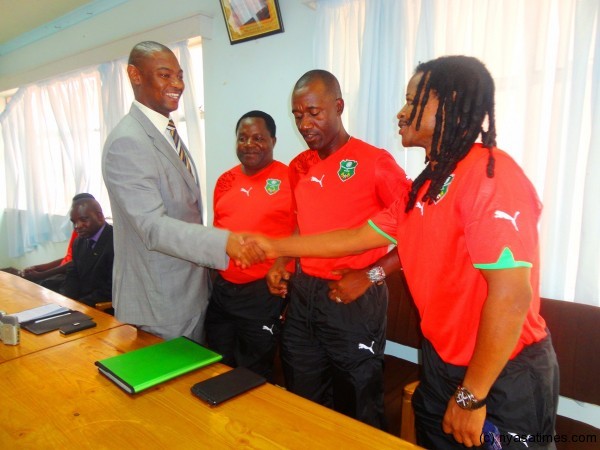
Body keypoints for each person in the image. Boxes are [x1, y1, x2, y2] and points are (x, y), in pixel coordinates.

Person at [249, 56, 559, 449]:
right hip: (440, 364)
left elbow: (512, 295)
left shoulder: (491, 175)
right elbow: (353, 236)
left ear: (451, 102)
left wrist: (472, 394)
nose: (401, 113)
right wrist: (272, 246)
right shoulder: (425, 187)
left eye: (413, 102)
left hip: (500, 373)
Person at [265, 69, 410, 429]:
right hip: (303, 297)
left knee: (357, 403)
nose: (305, 123)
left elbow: (417, 231)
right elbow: (302, 225)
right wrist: (283, 261)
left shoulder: (375, 162)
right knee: (302, 396)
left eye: (314, 112)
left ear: (339, 106)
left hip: (354, 295)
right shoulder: (298, 166)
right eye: (298, 115)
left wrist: (370, 275)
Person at [102, 41, 258, 342]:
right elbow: (152, 227)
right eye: (164, 75)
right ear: (135, 75)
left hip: (189, 291)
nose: (177, 84)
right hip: (158, 301)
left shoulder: (165, 131)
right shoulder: (128, 141)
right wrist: (224, 242)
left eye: (180, 75)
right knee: (168, 388)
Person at [205, 110, 295, 380]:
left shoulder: (290, 179)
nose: (249, 144)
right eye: (242, 138)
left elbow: (300, 235)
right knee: (217, 365)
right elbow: (219, 232)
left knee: (253, 373)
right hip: (222, 291)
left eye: (258, 138)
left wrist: (281, 267)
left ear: (273, 141)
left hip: (263, 293)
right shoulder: (225, 181)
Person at [4, 193, 95, 292]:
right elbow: (68, 258)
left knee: (27, 284)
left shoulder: (89, 235)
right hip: (60, 271)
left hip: (66, 276)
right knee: (10, 272)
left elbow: (73, 264)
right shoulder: (77, 230)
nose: (77, 224)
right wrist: (39, 268)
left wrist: (42, 274)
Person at [60, 198, 113, 307]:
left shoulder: (115, 242)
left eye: (83, 220)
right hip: (80, 304)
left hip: (102, 308)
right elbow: (72, 275)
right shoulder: (79, 242)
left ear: (99, 216)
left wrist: (79, 304)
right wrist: (65, 301)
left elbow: (111, 289)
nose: (77, 226)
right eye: (74, 222)